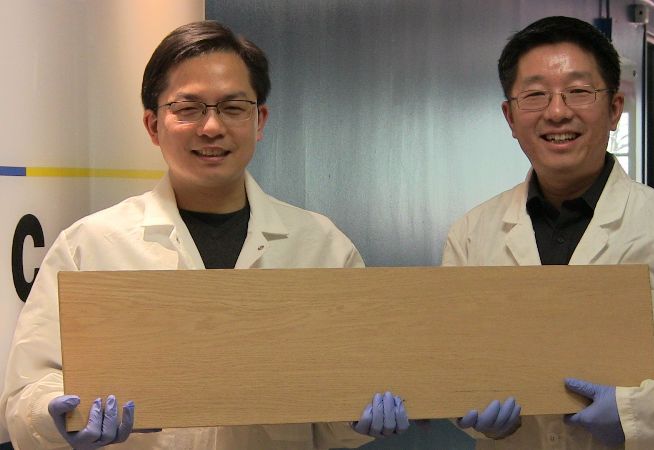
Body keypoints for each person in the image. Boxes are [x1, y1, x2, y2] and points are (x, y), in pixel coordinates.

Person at [1, 20, 410, 450]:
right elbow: (26, 395)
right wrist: (58, 414)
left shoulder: (321, 246)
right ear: (153, 125)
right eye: (189, 108)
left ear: (260, 120)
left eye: (233, 107)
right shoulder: (89, 245)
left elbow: (336, 410)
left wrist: (359, 417)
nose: (212, 127)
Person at [442, 16, 654, 449]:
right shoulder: (471, 233)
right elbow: (453, 363)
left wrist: (636, 412)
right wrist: (472, 416)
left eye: (579, 91)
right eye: (535, 95)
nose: (557, 112)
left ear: (615, 108)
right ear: (510, 116)